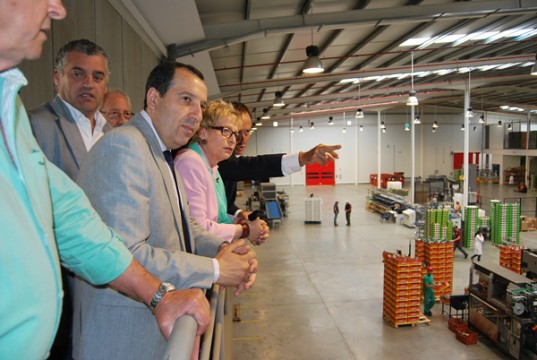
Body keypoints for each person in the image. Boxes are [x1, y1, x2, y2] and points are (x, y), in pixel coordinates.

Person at [0, 1, 210, 359]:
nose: (57, 9)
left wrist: (158, 295)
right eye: (78, 74)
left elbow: (74, 221)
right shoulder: (36, 122)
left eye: (98, 76)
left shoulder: (11, 110)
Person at [74, 61, 258, 359]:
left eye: (200, 104)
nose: (197, 113)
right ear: (154, 98)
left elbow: (188, 230)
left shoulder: (163, 154)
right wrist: (215, 269)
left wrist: (229, 251)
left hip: (157, 328)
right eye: (186, 99)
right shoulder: (124, 147)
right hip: (124, 337)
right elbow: (126, 252)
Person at [219, 102, 342, 219]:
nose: (242, 139)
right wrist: (302, 158)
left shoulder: (230, 162)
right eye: (237, 132)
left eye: (247, 132)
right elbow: (253, 166)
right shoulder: (221, 162)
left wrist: (240, 213)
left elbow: (227, 205)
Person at [175, 100, 269, 244]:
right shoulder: (190, 163)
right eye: (226, 131)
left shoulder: (212, 167)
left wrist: (241, 221)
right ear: (203, 132)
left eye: (234, 134)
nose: (233, 141)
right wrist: (245, 229)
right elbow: (199, 228)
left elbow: (218, 217)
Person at [29, 39, 112, 180]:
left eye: (97, 77)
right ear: (57, 77)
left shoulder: (112, 134)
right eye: (78, 74)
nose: (89, 84)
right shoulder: (34, 124)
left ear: (106, 86)